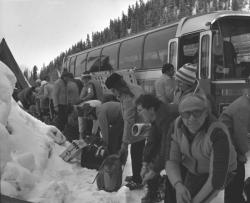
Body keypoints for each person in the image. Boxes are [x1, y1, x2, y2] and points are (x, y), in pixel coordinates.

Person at [166, 94, 237, 203]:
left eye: (197, 112)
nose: (192, 118)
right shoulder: (176, 126)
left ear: (206, 113)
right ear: (181, 115)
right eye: (186, 113)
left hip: (224, 169)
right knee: (183, 195)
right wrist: (178, 185)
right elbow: (172, 160)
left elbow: (216, 181)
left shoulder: (217, 133)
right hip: (194, 167)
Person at [135, 94, 179, 203]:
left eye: (140, 110)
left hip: (188, 151)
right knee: (151, 163)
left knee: (173, 187)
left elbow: (166, 148)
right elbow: (151, 141)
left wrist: (154, 170)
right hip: (176, 147)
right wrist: (145, 164)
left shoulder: (166, 117)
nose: (138, 114)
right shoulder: (156, 115)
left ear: (151, 109)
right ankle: (152, 194)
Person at [105, 73, 145, 190]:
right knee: (137, 152)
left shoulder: (128, 97)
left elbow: (129, 121)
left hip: (139, 126)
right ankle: (137, 176)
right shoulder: (132, 88)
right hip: (142, 123)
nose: (113, 93)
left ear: (117, 87)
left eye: (113, 90)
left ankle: (137, 181)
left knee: (136, 153)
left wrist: (124, 142)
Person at [219, 89, 250, 203]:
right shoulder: (243, 107)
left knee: (235, 179)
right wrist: (245, 153)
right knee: (236, 176)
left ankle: (236, 198)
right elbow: (240, 135)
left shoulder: (245, 102)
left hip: (230, 147)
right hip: (227, 149)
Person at [76, 71, 103, 140]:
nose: (82, 80)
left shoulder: (89, 84)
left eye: (82, 79)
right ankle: (94, 135)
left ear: (86, 78)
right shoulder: (95, 82)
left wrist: (82, 100)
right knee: (96, 121)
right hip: (99, 103)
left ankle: (82, 135)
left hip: (94, 104)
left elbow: (91, 94)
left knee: (81, 115)